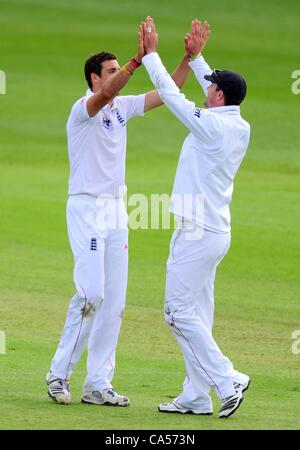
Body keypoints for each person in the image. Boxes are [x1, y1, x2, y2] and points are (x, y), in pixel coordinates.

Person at [46, 23, 192, 406]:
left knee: (113, 301)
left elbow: (167, 93)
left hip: (115, 211)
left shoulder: (122, 108)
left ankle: (97, 383)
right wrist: (136, 60)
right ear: (94, 79)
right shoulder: (83, 109)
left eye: (118, 70)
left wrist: (188, 59)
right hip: (86, 207)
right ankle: (58, 375)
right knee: (91, 292)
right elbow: (110, 91)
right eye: (109, 71)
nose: (117, 78)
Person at [142, 17, 251, 418]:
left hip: (197, 233)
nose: (206, 90)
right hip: (212, 232)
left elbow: (172, 96)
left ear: (217, 95)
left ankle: (227, 380)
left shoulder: (211, 128)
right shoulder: (238, 124)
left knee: (176, 312)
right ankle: (195, 395)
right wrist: (197, 57)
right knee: (197, 315)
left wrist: (153, 55)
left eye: (210, 87)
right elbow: (218, 88)